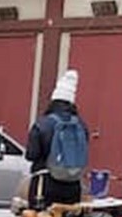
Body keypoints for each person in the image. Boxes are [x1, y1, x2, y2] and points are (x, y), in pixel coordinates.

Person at [25, 68, 88, 208]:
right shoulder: (81, 125)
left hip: (45, 184)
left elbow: (31, 155)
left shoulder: (42, 124)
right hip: (73, 186)